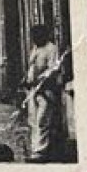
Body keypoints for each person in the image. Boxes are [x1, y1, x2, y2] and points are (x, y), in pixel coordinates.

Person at [24, 24, 64, 163]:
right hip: (32, 90)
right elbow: (32, 66)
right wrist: (26, 79)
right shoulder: (36, 48)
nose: (35, 39)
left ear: (44, 35)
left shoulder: (51, 49)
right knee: (33, 120)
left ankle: (41, 152)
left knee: (43, 120)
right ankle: (35, 149)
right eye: (33, 36)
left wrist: (40, 80)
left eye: (37, 36)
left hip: (46, 90)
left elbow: (53, 70)